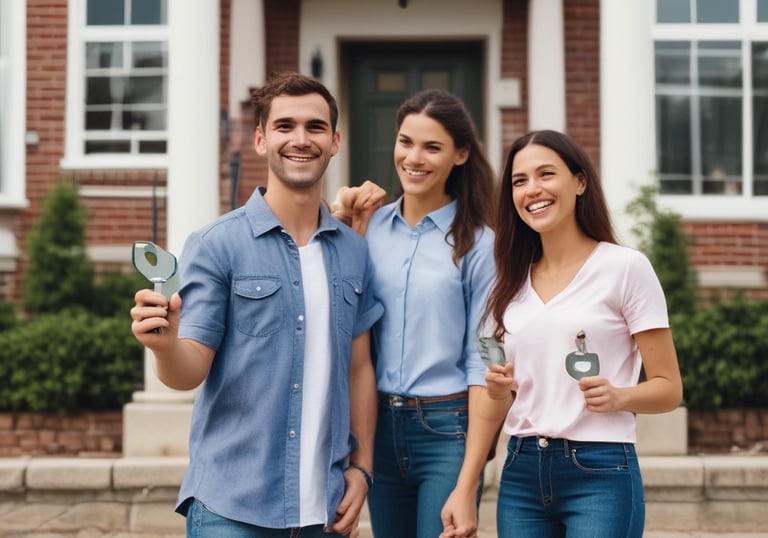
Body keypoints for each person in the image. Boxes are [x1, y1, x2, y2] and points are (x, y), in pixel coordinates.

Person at [130, 72, 383, 538]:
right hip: (231, 509)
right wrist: (164, 346)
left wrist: (362, 467)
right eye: (285, 126)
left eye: (315, 127)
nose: (300, 139)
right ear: (261, 140)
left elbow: (359, 368)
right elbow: (188, 371)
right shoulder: (216, 244)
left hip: (325, 512)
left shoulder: (354, 251)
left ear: (335, 141)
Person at [440, 129, 684, 538]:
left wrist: (620, 397)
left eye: (546, 174)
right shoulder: (507, 284)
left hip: (600, 470)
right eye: (519, 181)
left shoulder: (625, 268)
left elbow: (669, 388)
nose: (532, 189)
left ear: (580, 182)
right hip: (520, 472)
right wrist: (465, 486)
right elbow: (500, 397)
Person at [332, 89, 497, 538]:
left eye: (432, 147)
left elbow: (484, 358)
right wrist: (340, 222)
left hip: (447, 429)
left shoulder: (481, 245)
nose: (414, 158)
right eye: (406, 142)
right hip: (376, 426)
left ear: (461, 154)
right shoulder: (367, 228)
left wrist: (470, 478)